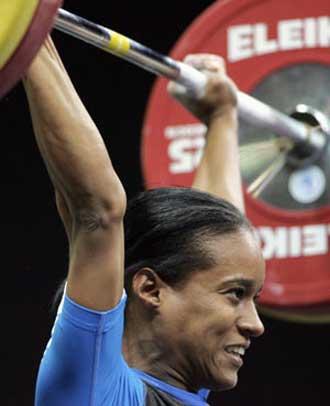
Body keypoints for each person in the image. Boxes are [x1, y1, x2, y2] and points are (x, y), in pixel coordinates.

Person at [23, 36, 265, 406]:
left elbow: (218, 235)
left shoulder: (182, 384)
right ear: (151, 290)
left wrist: (222, 117)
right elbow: (98, 210)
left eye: (251, 297)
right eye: (236, 295)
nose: (255, 324)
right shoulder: (95, 393)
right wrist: (29, 35)